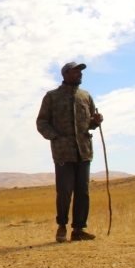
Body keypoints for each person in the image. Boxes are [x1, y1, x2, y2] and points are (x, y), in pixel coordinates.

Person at [36, 62, 104, 242]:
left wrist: (96, 121)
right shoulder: (52, 97)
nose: (79, 74)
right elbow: (42, 123)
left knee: (83, 191)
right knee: (65, 191)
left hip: (84, 151)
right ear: (65, 74)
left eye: (80, 72)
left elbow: (89, 123)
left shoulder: (86, 96)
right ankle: (62, 226)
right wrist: (56, 137)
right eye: (76, 71)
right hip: (63, 153)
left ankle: (79, 230)